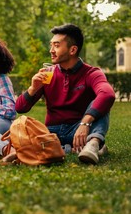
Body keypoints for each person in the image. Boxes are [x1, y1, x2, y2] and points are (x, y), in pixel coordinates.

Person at [15, 23, 115, 164]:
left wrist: (84, 124)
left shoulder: (91, 73)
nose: (51, 50)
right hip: (51, 132)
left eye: (56, 45)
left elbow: (108, 94)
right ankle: (76, 148)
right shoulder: (46, 74)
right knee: (24, 125)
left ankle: (92, 144)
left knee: (101, 104)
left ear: (72, 50)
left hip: (79, 130)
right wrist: (33, 88)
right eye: (51, 45)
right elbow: (20, 108)